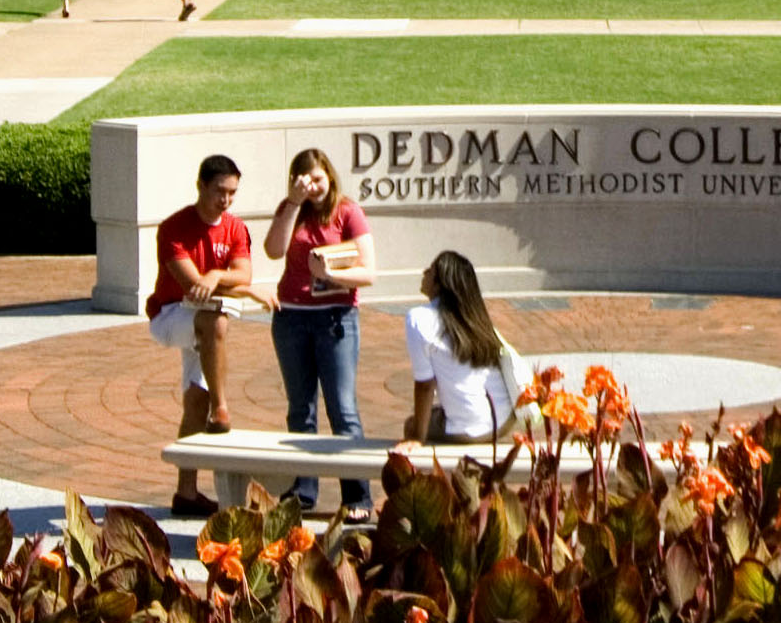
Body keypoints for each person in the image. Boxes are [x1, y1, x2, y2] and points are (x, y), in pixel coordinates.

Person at [145, 154, 270, 517]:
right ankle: (223, 408)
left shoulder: (234, 228)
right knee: (215, 320)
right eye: (219, 191)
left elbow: (241, 272)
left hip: (202, 321)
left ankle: (186, 494)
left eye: (232, 193)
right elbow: (193, 289)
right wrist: (241, 290)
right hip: (170, 316)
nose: (226, 200)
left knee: (194, 400)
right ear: (200, 185)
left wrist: (219, 276)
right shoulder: (173, 228)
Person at [263, 147, 376, 519]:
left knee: (343, 409)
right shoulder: (290, 210)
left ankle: (357, 497)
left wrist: (330, 275)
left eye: (317, 178)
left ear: (328, 174)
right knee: (300, 409)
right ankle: (303, 491)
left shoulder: (347, 212)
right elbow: (273, 249)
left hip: (336, 319)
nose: (312, 186)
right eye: (303, 180)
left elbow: (368, 273)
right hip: (292, 319)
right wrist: (293, 203)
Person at [399, 251, 513, 445]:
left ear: (439, 283)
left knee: (412, 424)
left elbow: (425, 387)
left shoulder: (418, 319)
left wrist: (417, 438)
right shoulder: (476, 319)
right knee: (432, 412)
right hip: (503, 419)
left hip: (470, 429)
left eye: (431, 269)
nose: (424, 271)